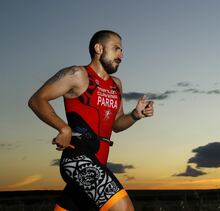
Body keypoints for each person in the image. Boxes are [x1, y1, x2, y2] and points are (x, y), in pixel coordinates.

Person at [28, 30, 154, 211]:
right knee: (124, 209)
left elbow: (116, 124)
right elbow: (37, 100)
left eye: (122, 50)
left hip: (99, 162)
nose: (121, 55)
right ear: (98, 48)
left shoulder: (116, 84)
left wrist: (135, 115)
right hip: (77, 159)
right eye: (116, 48)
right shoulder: (77, 74)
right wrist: (64, 128)